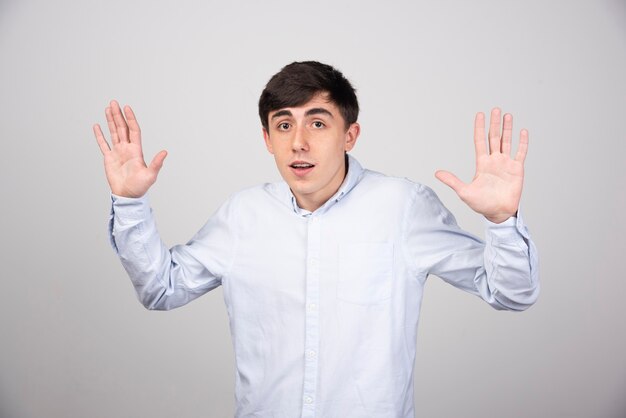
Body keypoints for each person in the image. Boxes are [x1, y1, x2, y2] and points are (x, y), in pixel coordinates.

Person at [93, 61, 539, 418]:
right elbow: (161, 289)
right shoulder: (242, 215)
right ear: (267, 139)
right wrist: (130, 203)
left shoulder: (402, 206)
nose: (299, 143)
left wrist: (502, 220)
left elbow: (511, 293)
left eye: (318, 124)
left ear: (350, 135)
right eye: (284, 126)